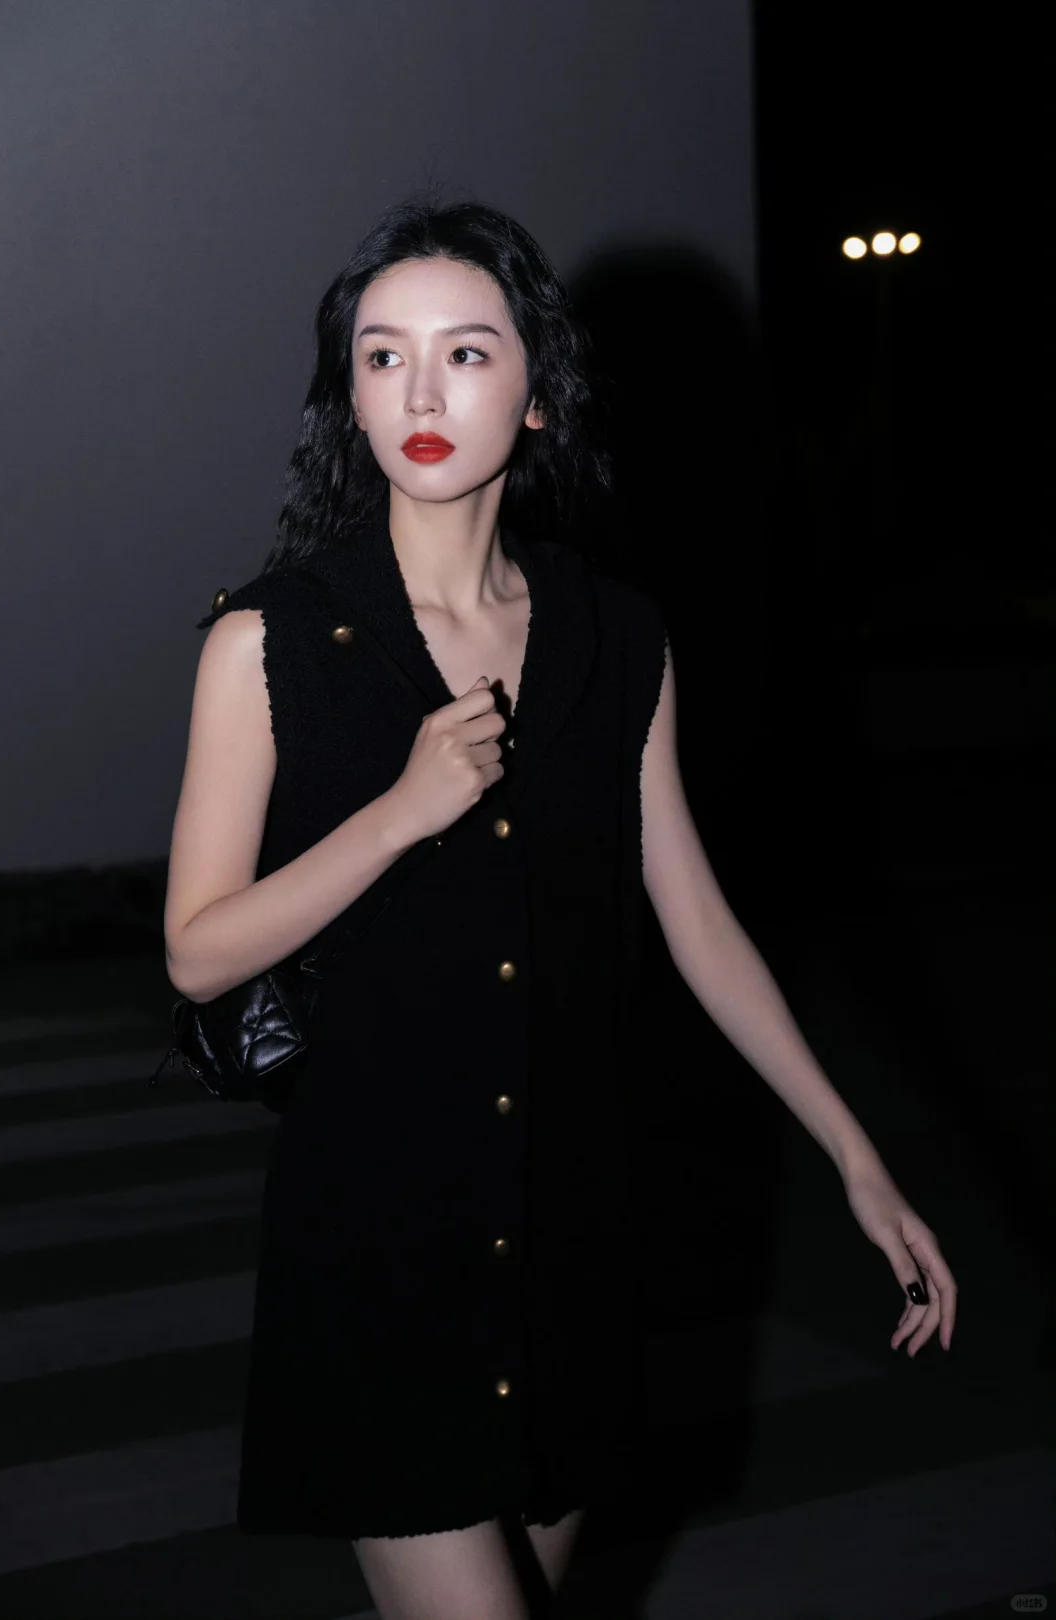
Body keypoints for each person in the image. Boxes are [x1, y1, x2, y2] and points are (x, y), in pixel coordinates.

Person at [163, 197, 958, 1620]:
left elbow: (695, 917)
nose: (420, 392)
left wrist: (857, 1156)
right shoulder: (270, 639)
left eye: (466, 353)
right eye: (383, 356)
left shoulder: (615, 633)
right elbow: (196, 950)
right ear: (348, 395)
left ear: (538, 395)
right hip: (381, 1244)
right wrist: (400, 812)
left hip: (576, 1231)